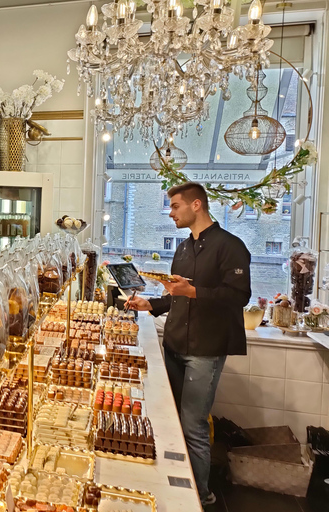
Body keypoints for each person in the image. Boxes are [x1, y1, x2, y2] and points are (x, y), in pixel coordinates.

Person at [126, 182, 250, 507]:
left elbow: (239, 296)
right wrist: (149, 305)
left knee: (193, 425)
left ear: (196, 205)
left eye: (175, 206)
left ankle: (202, 498)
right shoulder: (182, 249)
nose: (171, 213)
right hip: (174, 346)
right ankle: (174, 492)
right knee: (169, 419)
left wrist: (194, 292)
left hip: (205, 351)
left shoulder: (230, 246)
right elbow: (175, 297)